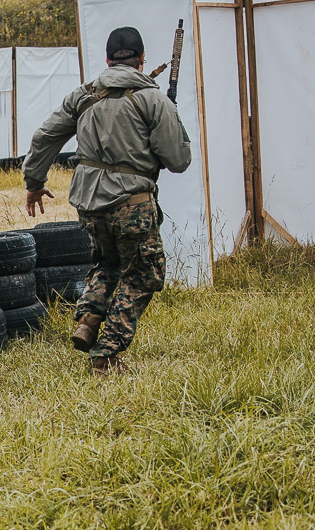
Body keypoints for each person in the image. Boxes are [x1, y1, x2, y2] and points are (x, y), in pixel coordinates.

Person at [22, 25, 192, 374]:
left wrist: (35, 182)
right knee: (145, 273)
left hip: (88, 204)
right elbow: (178, 160)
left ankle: (88, 317)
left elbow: (44, 137)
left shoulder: (83, 96)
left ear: (107, 60)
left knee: (107, 262)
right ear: (142, 60)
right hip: (132, 203)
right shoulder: (153, 100)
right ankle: (106, 354)